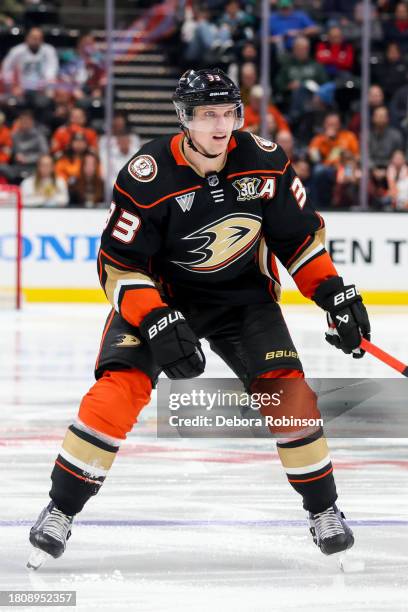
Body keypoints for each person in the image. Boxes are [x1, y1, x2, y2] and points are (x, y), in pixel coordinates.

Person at [28, 68, 370, 569]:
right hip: (163, 298)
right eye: (207, 114)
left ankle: (325, 511)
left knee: (290, 394)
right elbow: (117, 265)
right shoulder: (146, 174)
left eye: (227, 112)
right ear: (185, 119)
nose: (219, 125)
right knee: (116, 390)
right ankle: (60, 509)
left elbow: (298, 241)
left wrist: (334, 294)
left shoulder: (266, 163)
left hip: (243, 299)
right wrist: (157, 319)